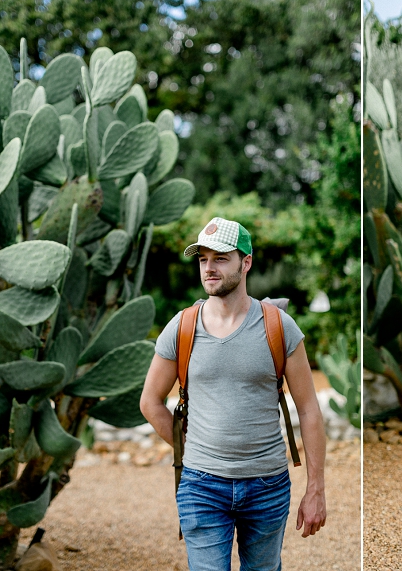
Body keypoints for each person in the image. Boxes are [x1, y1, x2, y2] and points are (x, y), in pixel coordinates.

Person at [140, 217, 327, 571]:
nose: (209, 268)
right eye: (202, 259)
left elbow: (309, 410)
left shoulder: (279, 326)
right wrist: (192, 446)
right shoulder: (181, 327)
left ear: (246, 262)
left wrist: (315, 489)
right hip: (201, 486)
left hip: (268, 485)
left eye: (221, 258)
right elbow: (150, 402)